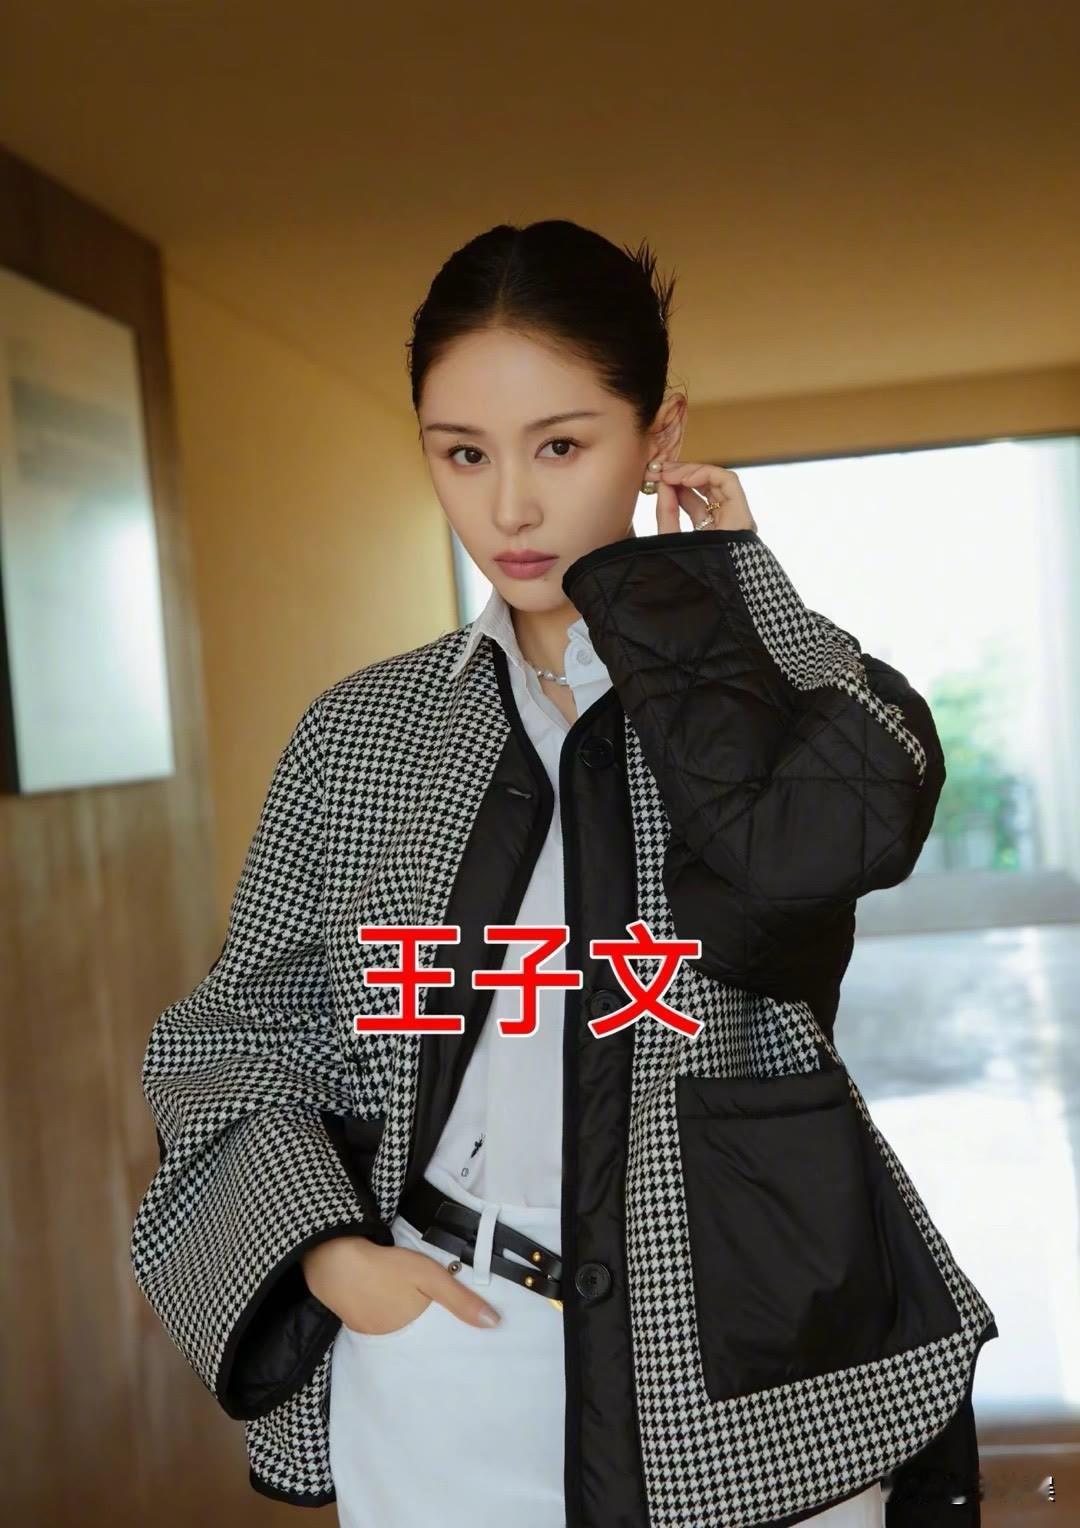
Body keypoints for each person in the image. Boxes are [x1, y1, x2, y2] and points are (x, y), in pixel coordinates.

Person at [131, 220, 996, 1527]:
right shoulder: (364, 735)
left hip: (739, 1368)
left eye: (560, 445)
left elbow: (834, 840)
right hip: (446, 1360)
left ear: (659, 436)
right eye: (463, 454)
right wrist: (331, 1255)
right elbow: (240, 1034)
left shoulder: (760, 696)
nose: (510, 510)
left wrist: (726, 601)